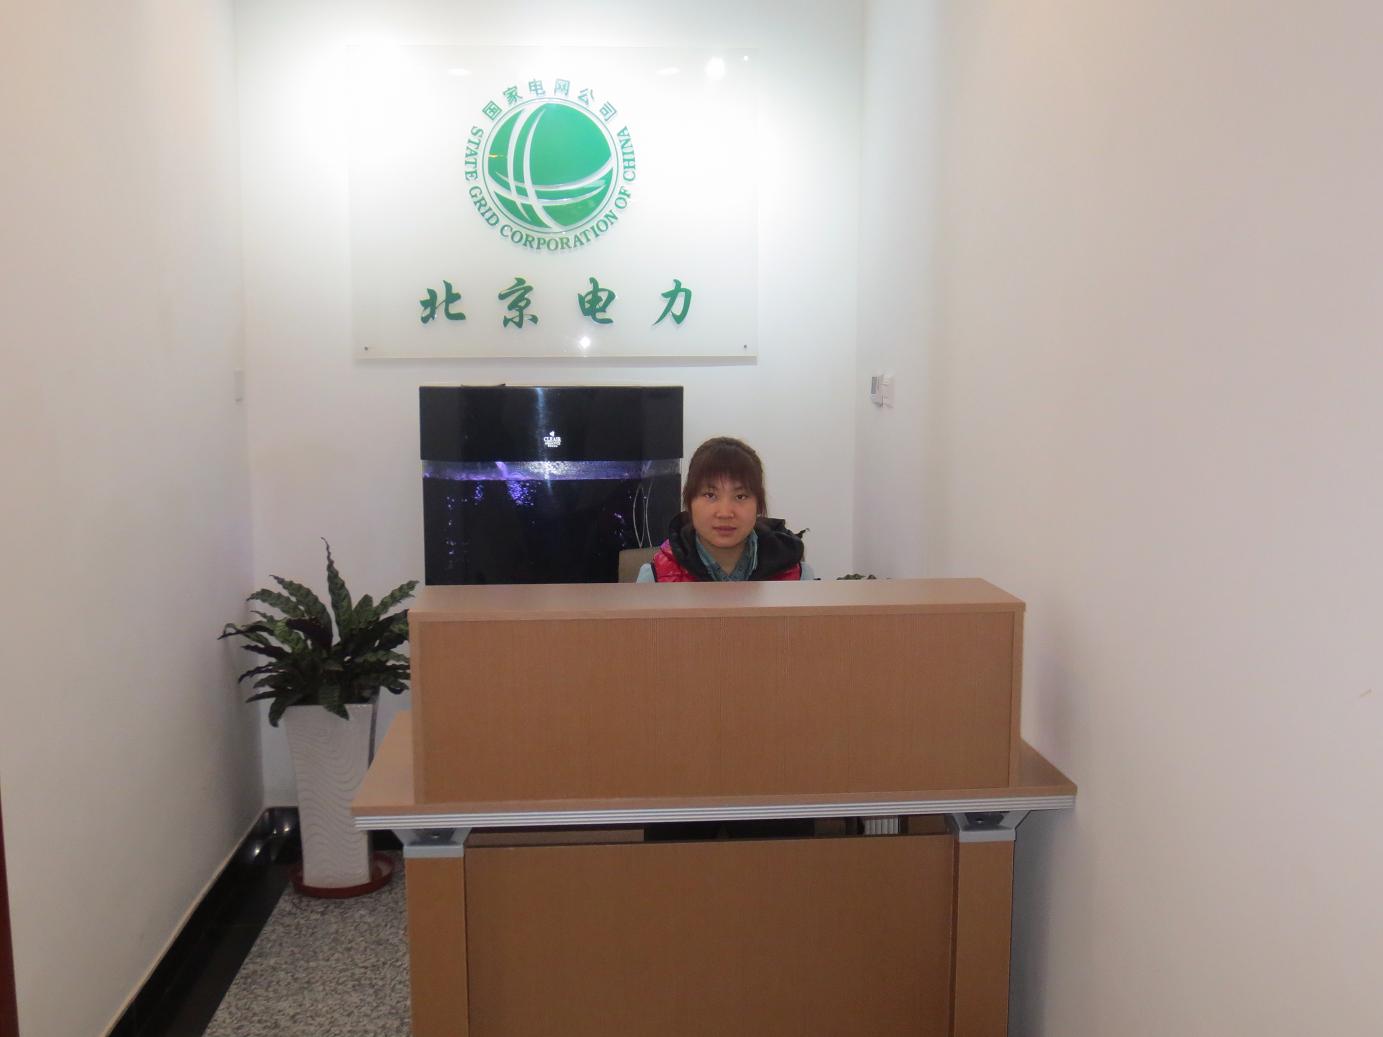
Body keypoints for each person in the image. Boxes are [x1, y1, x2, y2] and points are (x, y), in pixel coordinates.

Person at [637, 436, 816, 582]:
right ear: (689, 501)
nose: (725, 513)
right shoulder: (655, 579)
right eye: (710, 495)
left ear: (758, 505)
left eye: (740, 496)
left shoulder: (798, 577)